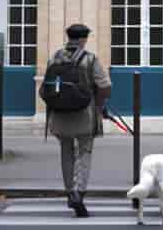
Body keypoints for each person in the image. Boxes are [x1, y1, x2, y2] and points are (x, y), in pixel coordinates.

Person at [43, 24, 111, 217]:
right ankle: (79, 193)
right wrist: (100, 105)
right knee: (84, 153)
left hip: (60, 114)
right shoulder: (90, 59)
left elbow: (48, 85)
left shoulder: (55, 57)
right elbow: (105, 85)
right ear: (83, 40)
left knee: (66, 153)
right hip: (84, 115)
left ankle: (69, 192)